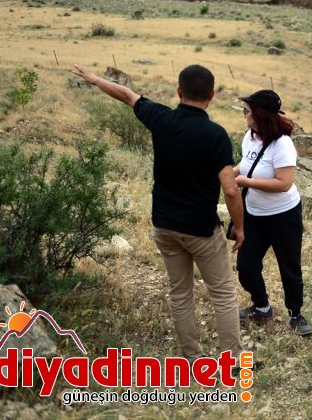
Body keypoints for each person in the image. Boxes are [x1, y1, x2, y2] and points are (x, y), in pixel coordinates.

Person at [70, 63, 245, 358]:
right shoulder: (216, 135)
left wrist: (95, 79)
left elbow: (127, 95)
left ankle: (192, 357)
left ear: (179, 91)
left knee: (180, 293)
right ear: (212, 95)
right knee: (223, 295)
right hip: (201, 229)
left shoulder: (161, 118)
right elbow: (230, 189)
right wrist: (239, 227)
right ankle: (234, 360)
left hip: (164, 225)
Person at [232, 89, 312, 337]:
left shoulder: (283, 144)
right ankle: (262, 307)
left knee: (289, 266)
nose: (244, 113)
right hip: (254, 214)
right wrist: (227, 175)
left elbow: (283, 183)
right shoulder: (250, 136)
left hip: (283, 215)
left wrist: (245, 182)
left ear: (261, 114)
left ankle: (296, 315)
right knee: (246, 266)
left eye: (248, 110)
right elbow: (245, 165)